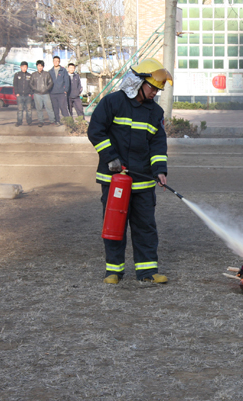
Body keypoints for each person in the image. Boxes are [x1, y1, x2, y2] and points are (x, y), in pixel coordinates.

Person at [87, 58, 173, 284]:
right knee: (114, 226)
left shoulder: (155, 113)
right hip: (115, 180)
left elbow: (158, 144)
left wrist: (160, 170)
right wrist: (111, 158)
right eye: (152, 87)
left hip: (143, 183)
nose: (155, 92)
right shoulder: (113, 102)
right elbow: (96, 131)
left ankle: (147, 272)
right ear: (137, 82)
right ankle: (113, 272)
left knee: (145, 227)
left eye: (158, 89)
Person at [30, 60, 55, 127]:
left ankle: (52, 120)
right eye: (38, 66)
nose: (40, 67)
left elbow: (51, 83)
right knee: (39, 108)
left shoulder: (47, 74)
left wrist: (46, 89)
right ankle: (41, 121)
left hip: (46, 94)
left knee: (49, 107)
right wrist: (36, 89)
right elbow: (31, 84)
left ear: (43, 66)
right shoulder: (33, 74)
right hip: (37, 94)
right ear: (37, 66)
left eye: (41, 66)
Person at [48, 56, 70, 125]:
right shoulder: (50, 71)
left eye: (57, 61)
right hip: (53, 93)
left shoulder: (63, 70)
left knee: (63, 108)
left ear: (59, 62)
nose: (56, 62)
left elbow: (67, 81)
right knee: (55, 108)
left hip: (61, 93)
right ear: (53, 61)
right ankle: (57, 121)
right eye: (54, 61)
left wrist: (65, 90)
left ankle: (68, 122)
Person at [13, 61, 33, 126]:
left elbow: (32, 85)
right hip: (20, 95)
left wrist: (30, 93)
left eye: (25, 67)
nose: (24, 68)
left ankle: (29, 122)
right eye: (23, 67)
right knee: (20, 109)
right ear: (20, 67)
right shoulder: (17, 75)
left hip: (28, 95)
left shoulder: (29, 75)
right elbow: (15, 84)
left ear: (27, 67)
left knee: (29, 109)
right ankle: (19, 122)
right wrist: (17, 93)